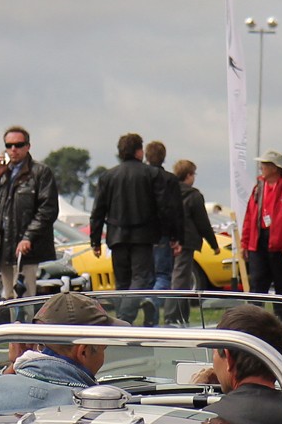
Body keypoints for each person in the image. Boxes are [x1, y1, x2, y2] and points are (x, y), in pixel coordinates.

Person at [0, 293, 127, 416]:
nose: (104, 354)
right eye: (104, 348)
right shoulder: (99, 408)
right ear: (83, 351)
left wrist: (15, 366)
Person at [90, 132, 181, 322]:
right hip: (143, 236)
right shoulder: (151, 174)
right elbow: (164, 208)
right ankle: (125, 316)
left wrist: (95, 240)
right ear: (139, 152)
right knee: (142, 278)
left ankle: (123, 320)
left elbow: (98, 210)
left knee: (122, 282)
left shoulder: (108, 176)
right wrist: (172, 234)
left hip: (116, 235)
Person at [0, 126, 59, 299]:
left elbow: (48, 209)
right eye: (9, 145)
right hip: (4, 247)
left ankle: (26, 319)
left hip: (27, 249)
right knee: (8, 296)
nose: (13, 149)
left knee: (25, 296)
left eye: (18, 145)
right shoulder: (3, 173)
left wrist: (28, 237)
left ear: (27, 146)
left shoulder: (40, 172)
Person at [240, 149, 282, 324]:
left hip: (280, 247)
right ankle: (254, 326)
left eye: (264, 164)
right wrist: (245, 243)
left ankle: (281, 326)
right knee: (257, 288)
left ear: (274, 168)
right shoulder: (258, 189)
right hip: (258, 243)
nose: (261, 167)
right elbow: (249, 218)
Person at [166, 158, 220, 325]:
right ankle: (173, 315)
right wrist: (214, 245)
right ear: (188, 175)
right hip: (186, 241)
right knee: (181, 280)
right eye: (193, 174)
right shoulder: (194, 196)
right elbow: (202, 223)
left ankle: (181, 313)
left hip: (168, 241)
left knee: (173, 277)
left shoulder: (168, 192)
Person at [145, 141, 180, 290]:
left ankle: (146, 298)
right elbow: (175, 210)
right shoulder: (170, 179)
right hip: (162, 233)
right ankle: (154, 300)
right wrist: (176, 236)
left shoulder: (141, 177)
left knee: (145, 275)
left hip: (142, 233)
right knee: (163, 274)